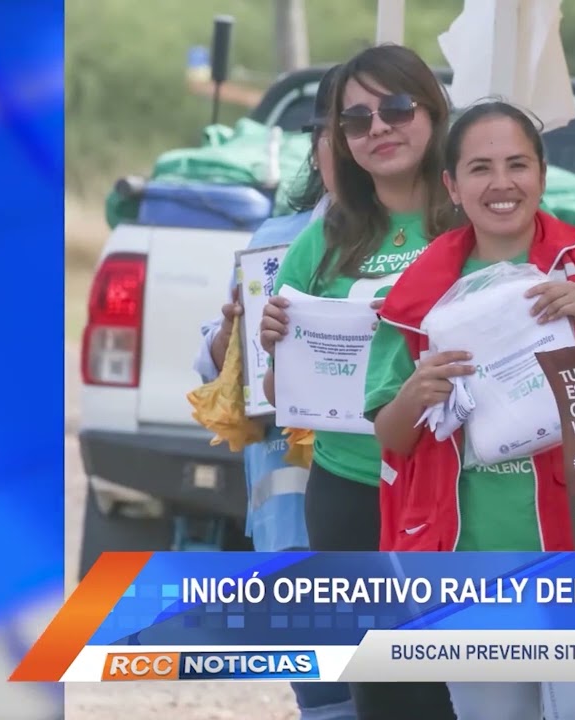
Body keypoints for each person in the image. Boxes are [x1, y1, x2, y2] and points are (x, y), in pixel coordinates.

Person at [366, 101, 575, 720]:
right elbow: (389, 434)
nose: (502, 183)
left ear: (543, 175)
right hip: (472, 556)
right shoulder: (417, 292)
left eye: (518, 164)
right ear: (452, 185)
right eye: (481, 168)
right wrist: (416, 392)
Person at [257, 45, 458, 720]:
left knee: (462, 690)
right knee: (382, 695)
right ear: (340, 139)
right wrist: (274, 345)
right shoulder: (322, 240)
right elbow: (280, 392)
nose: (379, 128)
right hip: (349, 490)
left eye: (396, 108)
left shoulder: (474, 220)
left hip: (460, 492)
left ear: (432, 113)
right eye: (356, 119)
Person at [192, 65, 357, 720]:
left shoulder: (435, 246)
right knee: (326, 696)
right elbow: (218, 374)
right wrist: (230, 337)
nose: (360, 144)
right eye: (340, 130)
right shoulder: (274, 244)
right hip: (293, 529)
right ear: (317, 147)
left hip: (391, 526)